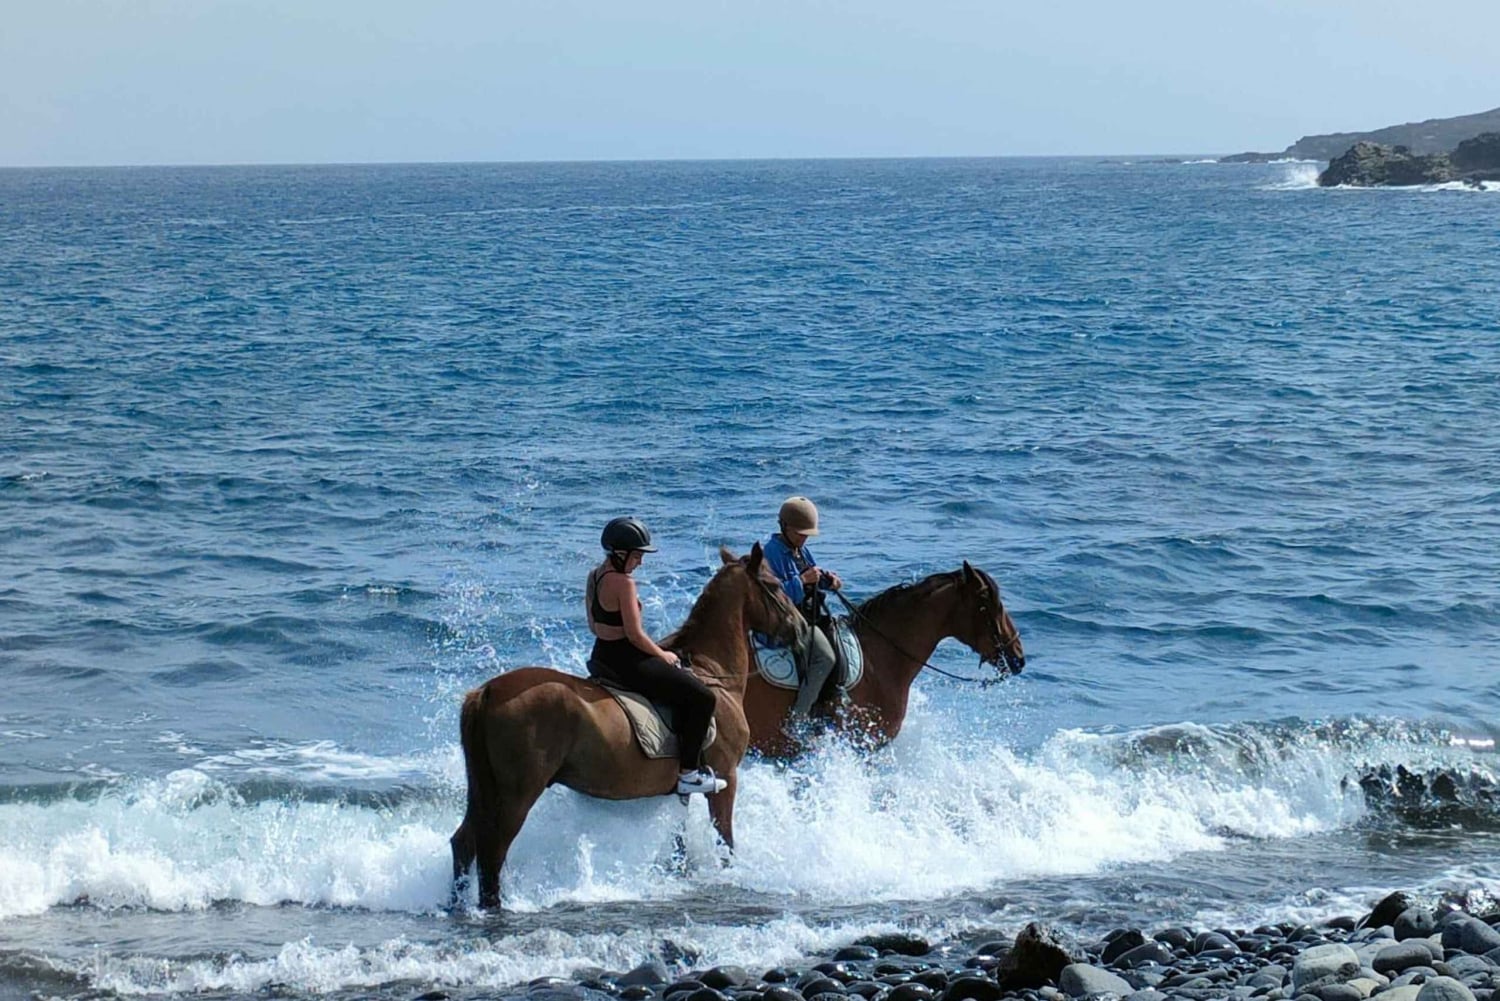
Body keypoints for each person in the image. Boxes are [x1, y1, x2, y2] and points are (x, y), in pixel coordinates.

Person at [586, 516, 726, 796]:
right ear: (621, 553)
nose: (640, 562)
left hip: (601, 654)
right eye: (637, 555)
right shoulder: (624, 583)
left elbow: (593, 625)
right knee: (703, 698)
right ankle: (689, 774)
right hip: (627, 660)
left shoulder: (595, 575)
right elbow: (635, 635)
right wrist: (663, 654)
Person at [763, 496, 843, 720]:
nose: (804, 538)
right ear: (784, 527)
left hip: (808, 614)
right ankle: (799, 717)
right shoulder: (771, 553)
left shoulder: (800, 550)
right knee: (825, 657)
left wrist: (828, 581)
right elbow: (771, 596)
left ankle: (830, 696)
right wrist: (802, 581)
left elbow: (812, 574)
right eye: (800, 533)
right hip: (787, 620)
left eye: (807, 534)